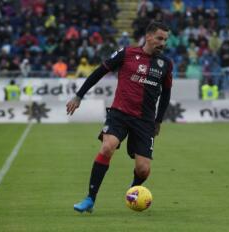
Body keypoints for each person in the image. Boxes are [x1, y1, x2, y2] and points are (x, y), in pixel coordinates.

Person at [66, 22, 172, 213]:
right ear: (148, 36)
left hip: (145, 121)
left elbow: (166, 95)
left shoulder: (165, 64)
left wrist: (158, 120)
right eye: (159, 38)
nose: (162, 43)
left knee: (143, 170)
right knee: (107, 147)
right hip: (119, 114)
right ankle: (90, 199)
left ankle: (133, 193)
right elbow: (99, 72)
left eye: (165, 39)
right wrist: (79, 95)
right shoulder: (126, 53)